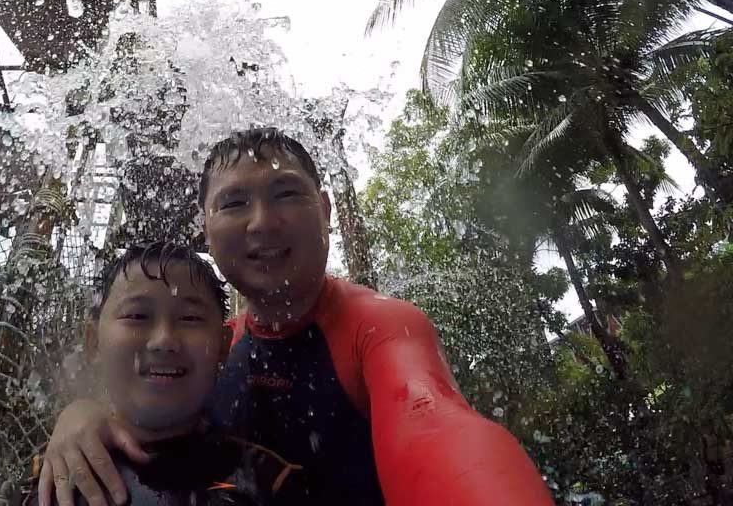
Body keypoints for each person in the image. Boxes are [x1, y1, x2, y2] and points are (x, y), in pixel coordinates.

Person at [39, 128, 554, 506]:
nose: (263, 222)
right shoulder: (213, 345)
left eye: (286, 193)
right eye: (234, 202)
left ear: (326, 211)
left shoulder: (378, 329)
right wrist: (82, 417)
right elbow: (146, 419)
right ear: (206, 230)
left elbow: (436, 427)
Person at [27, 241, 305, 506]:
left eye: (190, 318)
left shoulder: (267, 479)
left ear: (223, 346)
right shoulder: (60, 469)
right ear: (93, 342)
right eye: (137, 316)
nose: (163, 341)